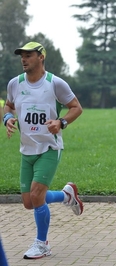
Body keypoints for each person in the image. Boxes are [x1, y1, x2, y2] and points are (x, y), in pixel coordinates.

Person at [3, 42, 84, 259]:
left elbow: (76, 107)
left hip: (49, 147)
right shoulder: (15, 83)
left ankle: (42, 244)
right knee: (29, 202)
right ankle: (67, 196)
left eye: (29, 55)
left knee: (37, 195)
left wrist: (61, 123)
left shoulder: (55, 83)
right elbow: (9, 105)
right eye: (22, 55)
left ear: (41, 57)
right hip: (26, 149)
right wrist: (7, 117)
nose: (24, 59)